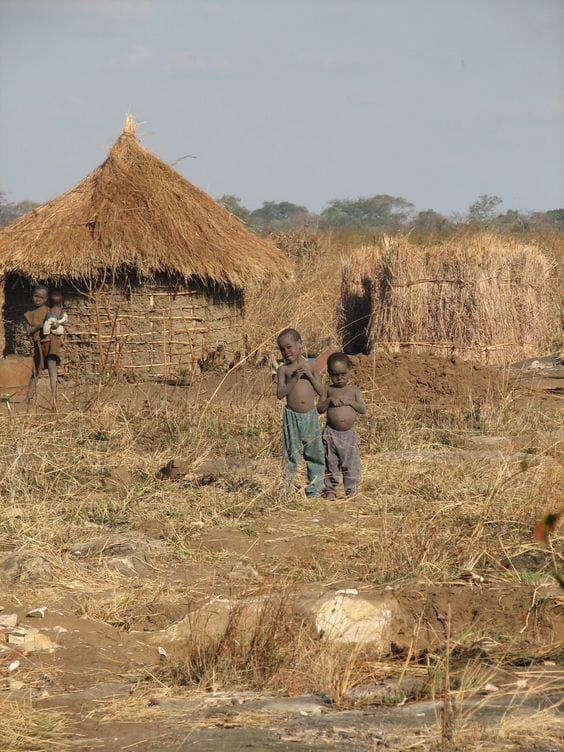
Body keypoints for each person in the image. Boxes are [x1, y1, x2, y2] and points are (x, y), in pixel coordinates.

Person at [276, 328, 325, 498]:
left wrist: (310, 376)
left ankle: (315, 488)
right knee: (291, 452)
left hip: (310, 416)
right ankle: (286, 488)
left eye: (289, 347)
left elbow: (321, 391)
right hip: (291, 416)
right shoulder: (283, 370)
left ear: (299, 345)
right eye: (282, 349)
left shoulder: (311, 365)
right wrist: (293, 380)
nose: (286, 352)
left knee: (314, 452)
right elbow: (280, 394)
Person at [317, 352, 367, 498]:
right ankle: (330, 489)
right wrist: (329, 401)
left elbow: (363, 409)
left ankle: (351, 489)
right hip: (331, 434)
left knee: (350, 463)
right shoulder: (328, 390)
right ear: (329, 374)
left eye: (343, 374)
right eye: (335, 375)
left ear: (350, 370)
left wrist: (351, 402)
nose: (339, 378)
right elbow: (319, 409)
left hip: (349, 435)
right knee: (330, 462)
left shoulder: (354, 390)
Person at [23, 285, 62, 410]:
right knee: (35, 372)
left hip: (50, 344)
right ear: (32, 296)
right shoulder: (28, 315)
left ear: (46, 299)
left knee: (52, 371)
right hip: (38, 346)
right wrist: (41, 325)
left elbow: (57, 323)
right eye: (36, 296)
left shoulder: (49, 311)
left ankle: (54, 402)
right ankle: (28, 399)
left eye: (41, 297)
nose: (38, 299)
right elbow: (28, 331)